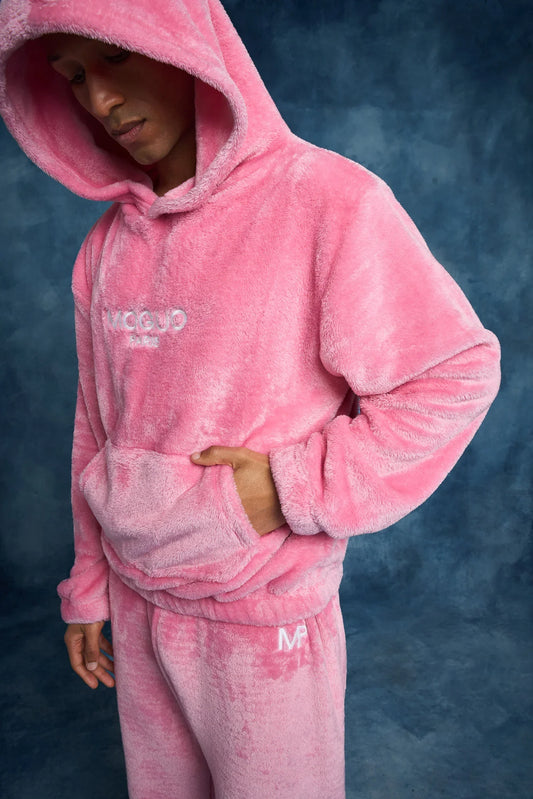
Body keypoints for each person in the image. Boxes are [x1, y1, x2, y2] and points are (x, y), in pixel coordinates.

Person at [0, 0, 501, 797]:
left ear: (183, 45)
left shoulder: (326, 199)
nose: (98, 99)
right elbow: (95, 427)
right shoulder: (104, 249)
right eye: (71, 77)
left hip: (261, 618)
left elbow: (452, 372)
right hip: (137, 600)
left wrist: (286, 488)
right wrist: (88, 586)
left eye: (115, 59)